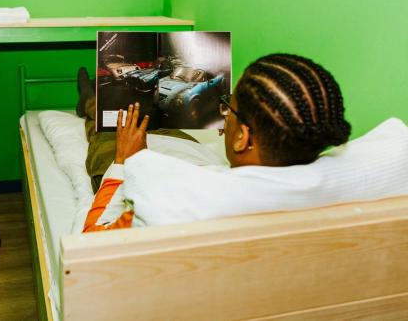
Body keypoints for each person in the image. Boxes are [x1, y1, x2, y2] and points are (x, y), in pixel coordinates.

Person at [79, 53, 352, 232]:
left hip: (148, 164)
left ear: (243, 137)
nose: (225, 117)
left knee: (107, 132)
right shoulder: (338, 205)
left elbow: (93, 238)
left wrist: (126, 161)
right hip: (191, 155)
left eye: (228, 109)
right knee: (168, 133)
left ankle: (89, 100)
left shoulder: (166, 204)